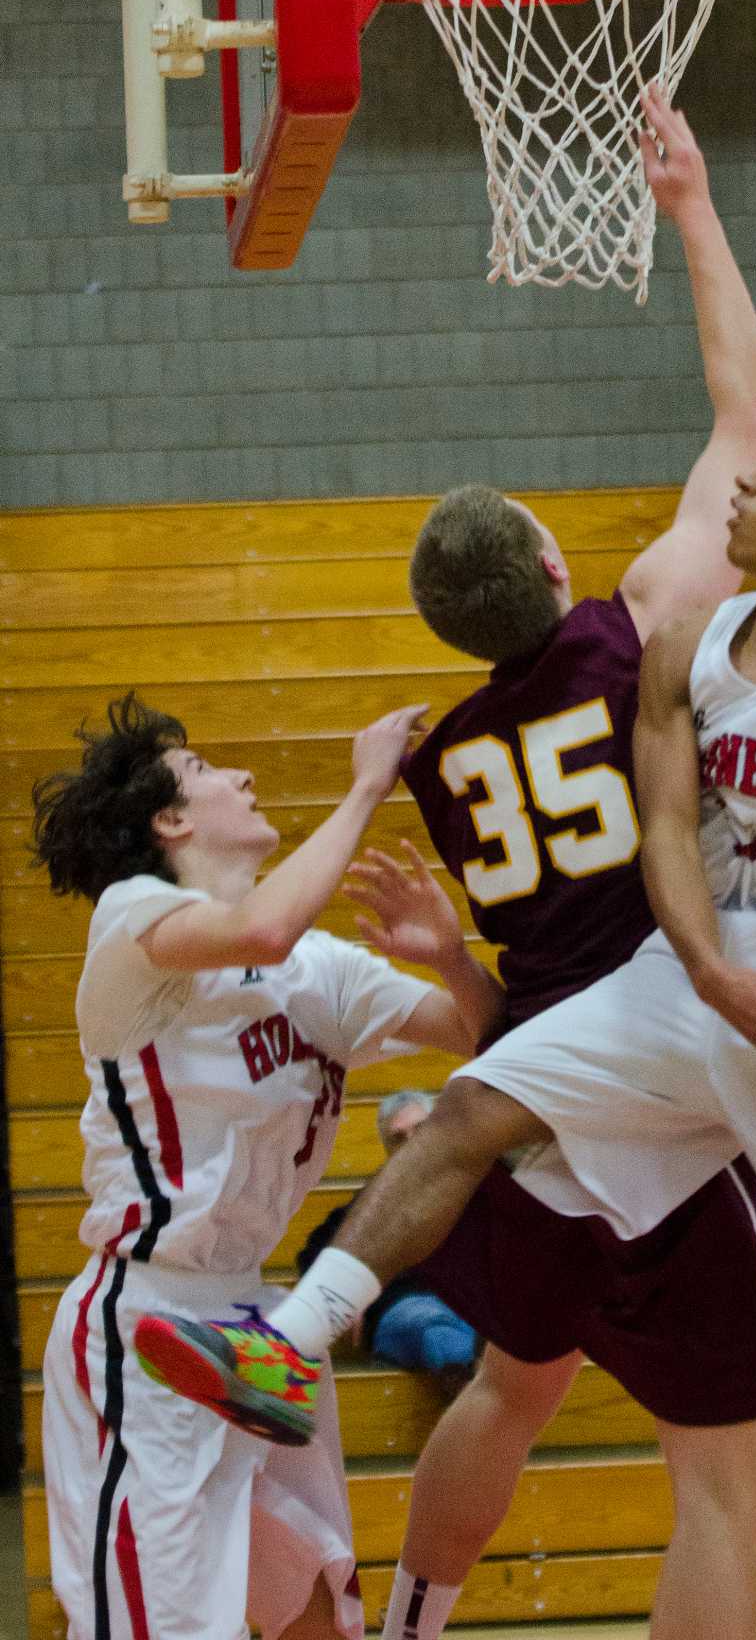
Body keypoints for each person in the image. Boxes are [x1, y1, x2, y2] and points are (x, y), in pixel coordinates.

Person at [139, 84, 756, 1640]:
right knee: (728, 1475)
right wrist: (690, 205)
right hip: (659, 1064)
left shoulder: (436, 764)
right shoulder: (636, 624)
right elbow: (746, 428)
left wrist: (446, 965)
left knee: (514, 1381)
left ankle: (418, 1620)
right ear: (558, 565)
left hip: (532, 1064)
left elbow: (526, 955)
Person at [142, 411, 756, 1640]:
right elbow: (669, 830)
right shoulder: (673, 639)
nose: (755, 472)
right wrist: (701, 964)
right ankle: (286, 1346)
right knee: (473, 1117)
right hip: (681, 962)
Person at [32, 693, 490, 1640]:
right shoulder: (134, 924)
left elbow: (487, 1036)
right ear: (172, 821)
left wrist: (449, 957)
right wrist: (368, 785)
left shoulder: (318, 972)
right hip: (146, 1327)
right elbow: (259, 933)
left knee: (316, 1607)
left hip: (263, 1328)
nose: (242, 776)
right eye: (206, 772)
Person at [296, 1092, 480, 1401]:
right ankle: (467, 1389)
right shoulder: (368, 1207)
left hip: (473, 1309)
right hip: (405, 1311)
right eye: (398, 1138)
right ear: (387, 1149)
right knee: (432, 1323)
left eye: (419, 1131)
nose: (410, 1143)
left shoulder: (476, 1191)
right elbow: (313, 1255)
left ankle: (469, 1383)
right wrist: (344, 1294)